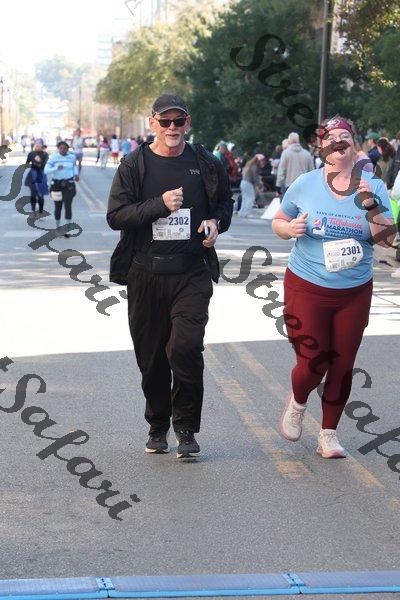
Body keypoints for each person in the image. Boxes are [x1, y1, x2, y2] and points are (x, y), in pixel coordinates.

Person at [107, 93, 233, 458]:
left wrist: (215, 222)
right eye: (165, 122)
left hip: (191, 271)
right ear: (153, 124)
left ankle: (186, 428)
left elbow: (224, 203)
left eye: (179, 121)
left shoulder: (205, 162)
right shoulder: (134, 164)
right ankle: (158, 424)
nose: (172, 128)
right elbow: (116, 216)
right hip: (145, 273)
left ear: (188, 123)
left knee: (186, 348)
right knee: (152, 359)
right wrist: (159, 205)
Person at [272, 115, 395, 458]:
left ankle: (328, 434)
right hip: (307, 285)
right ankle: (298, 401)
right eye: (331, 137)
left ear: (354, 145)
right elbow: (279, 220)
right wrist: (289, 229)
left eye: (345, 136)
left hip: (354, 291)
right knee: (313, 361)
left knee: (341, 364)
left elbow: (387, 240)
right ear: (321, 146)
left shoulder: (374, 186)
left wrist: (370, 203)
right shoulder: (306, 184)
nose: (339, 142)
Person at [44, 140, 79, 237]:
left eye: (65, 148)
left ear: (68, 149)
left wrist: (76, 174)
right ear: (58, 149)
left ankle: (67, 229)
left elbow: (74, 167)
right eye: (61, 148)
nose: (63, 150)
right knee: (58, 207)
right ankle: (58, 227)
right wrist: (56, 168)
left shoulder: (72, 157)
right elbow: (46, 170)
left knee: (68, 206)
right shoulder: (53, 158)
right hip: (56, 185)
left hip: (69, 184)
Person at [276, 132, 314, 197]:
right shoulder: (307, 154)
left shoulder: (285, 153)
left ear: (289, 141)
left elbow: (281, 171)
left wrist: (278, 185)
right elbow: (312, 171)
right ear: (298, 141)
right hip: (304, 186)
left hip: (290, 186)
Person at [25, 141, 49, 213]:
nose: (37, 147)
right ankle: (33, 209)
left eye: (39, 146)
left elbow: (45, 164)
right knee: (33, 193)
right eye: (36, 146)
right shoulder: (31, 153)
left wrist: (39, 162)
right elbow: (27, 163)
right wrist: (32, 163)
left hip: (41, 175)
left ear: (42, 147)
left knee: (40, 194)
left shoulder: (45, 154)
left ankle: (41, 210)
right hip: (32, 175)